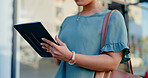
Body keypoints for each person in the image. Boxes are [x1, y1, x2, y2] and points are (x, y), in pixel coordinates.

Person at [40, 0, 130, 78]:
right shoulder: (67, 21)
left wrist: (71, 57)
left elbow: (113, 62)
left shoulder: (113, 17)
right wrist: (54, 51)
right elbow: (61, 63)